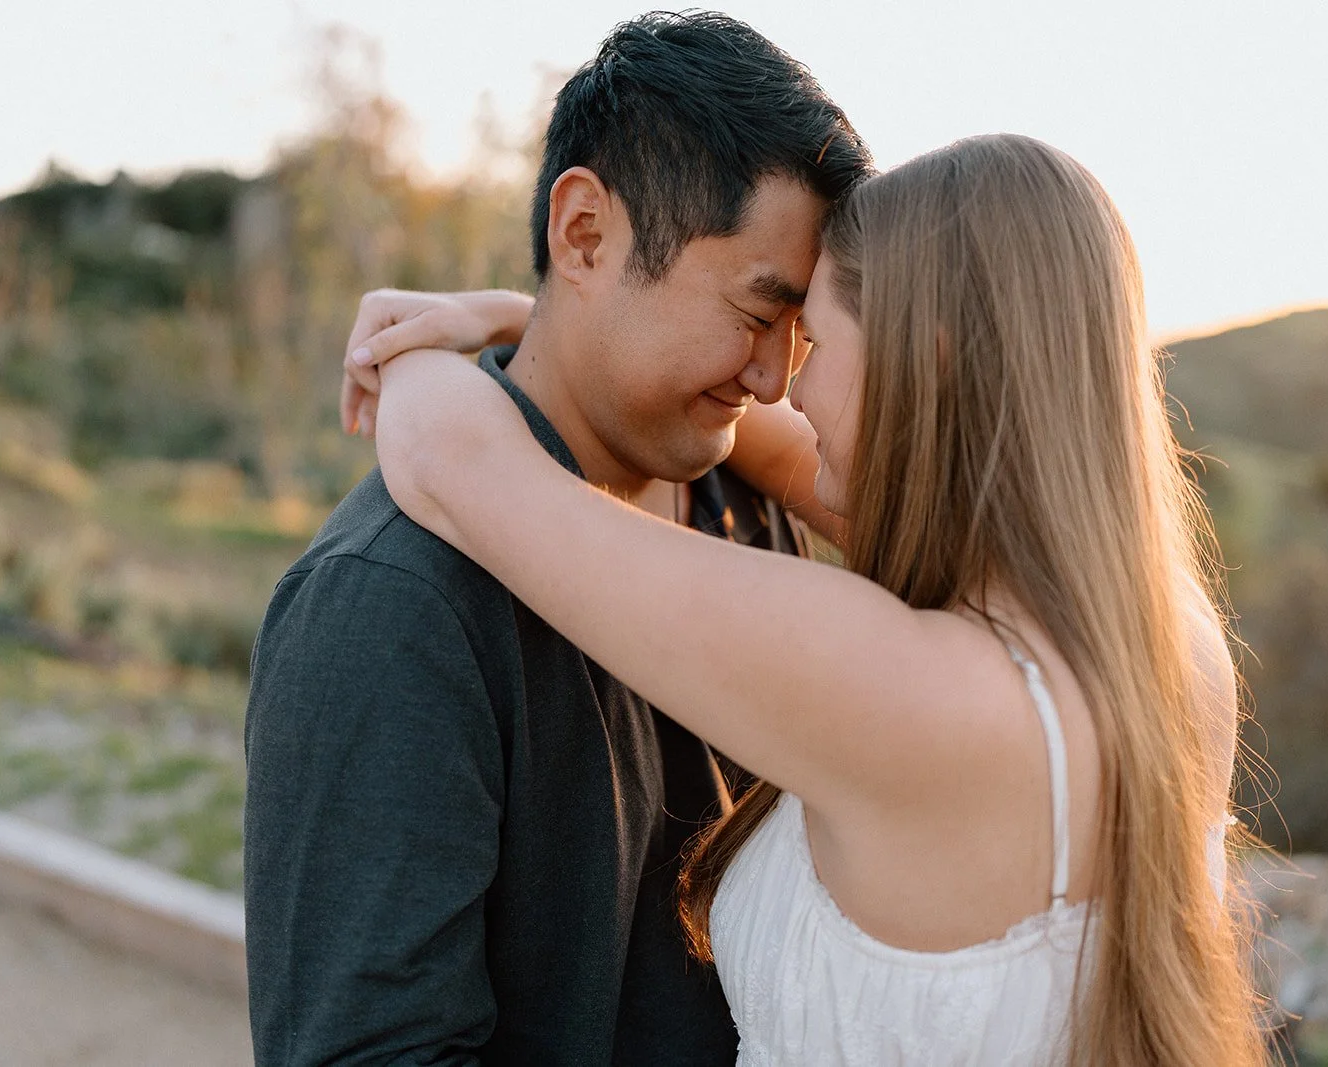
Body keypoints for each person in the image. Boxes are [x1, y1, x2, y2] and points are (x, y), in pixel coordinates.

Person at [351, 134, 1266, 1065]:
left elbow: (451, 459)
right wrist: (529, 318)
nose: (787, 380)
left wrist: (405, 350)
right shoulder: (1167, 645)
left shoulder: (905, 691)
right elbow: (806, 458)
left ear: (931, 364)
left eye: (818, 341)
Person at [241, 13, 871, 1065]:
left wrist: (506, 315)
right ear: (584, 234)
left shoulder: (735, 491)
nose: (776, 376)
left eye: (802, 326)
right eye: (758, 312)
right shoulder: (392, 603)